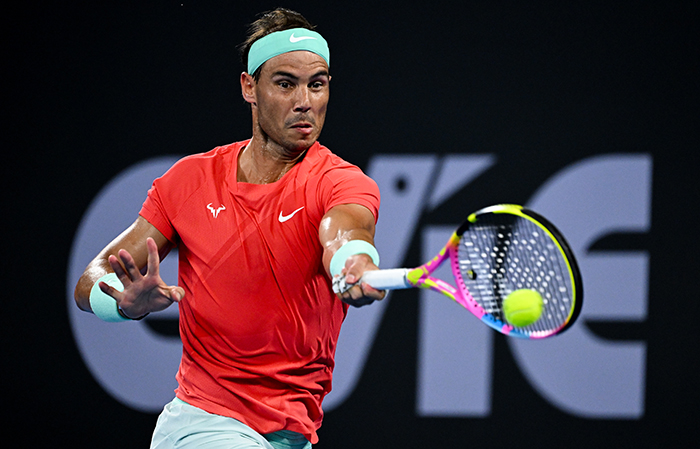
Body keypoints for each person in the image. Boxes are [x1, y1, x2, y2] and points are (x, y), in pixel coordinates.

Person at [73, 8, 384, 449]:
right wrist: (123, 302)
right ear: (249, 87)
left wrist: (353, 262)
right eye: (285, 83)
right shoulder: (188, 180)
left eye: (317, 84)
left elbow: (345, 232)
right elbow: (87, 284)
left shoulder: (342, 182)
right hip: (203, 422)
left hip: (291, 434)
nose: (304, 101)